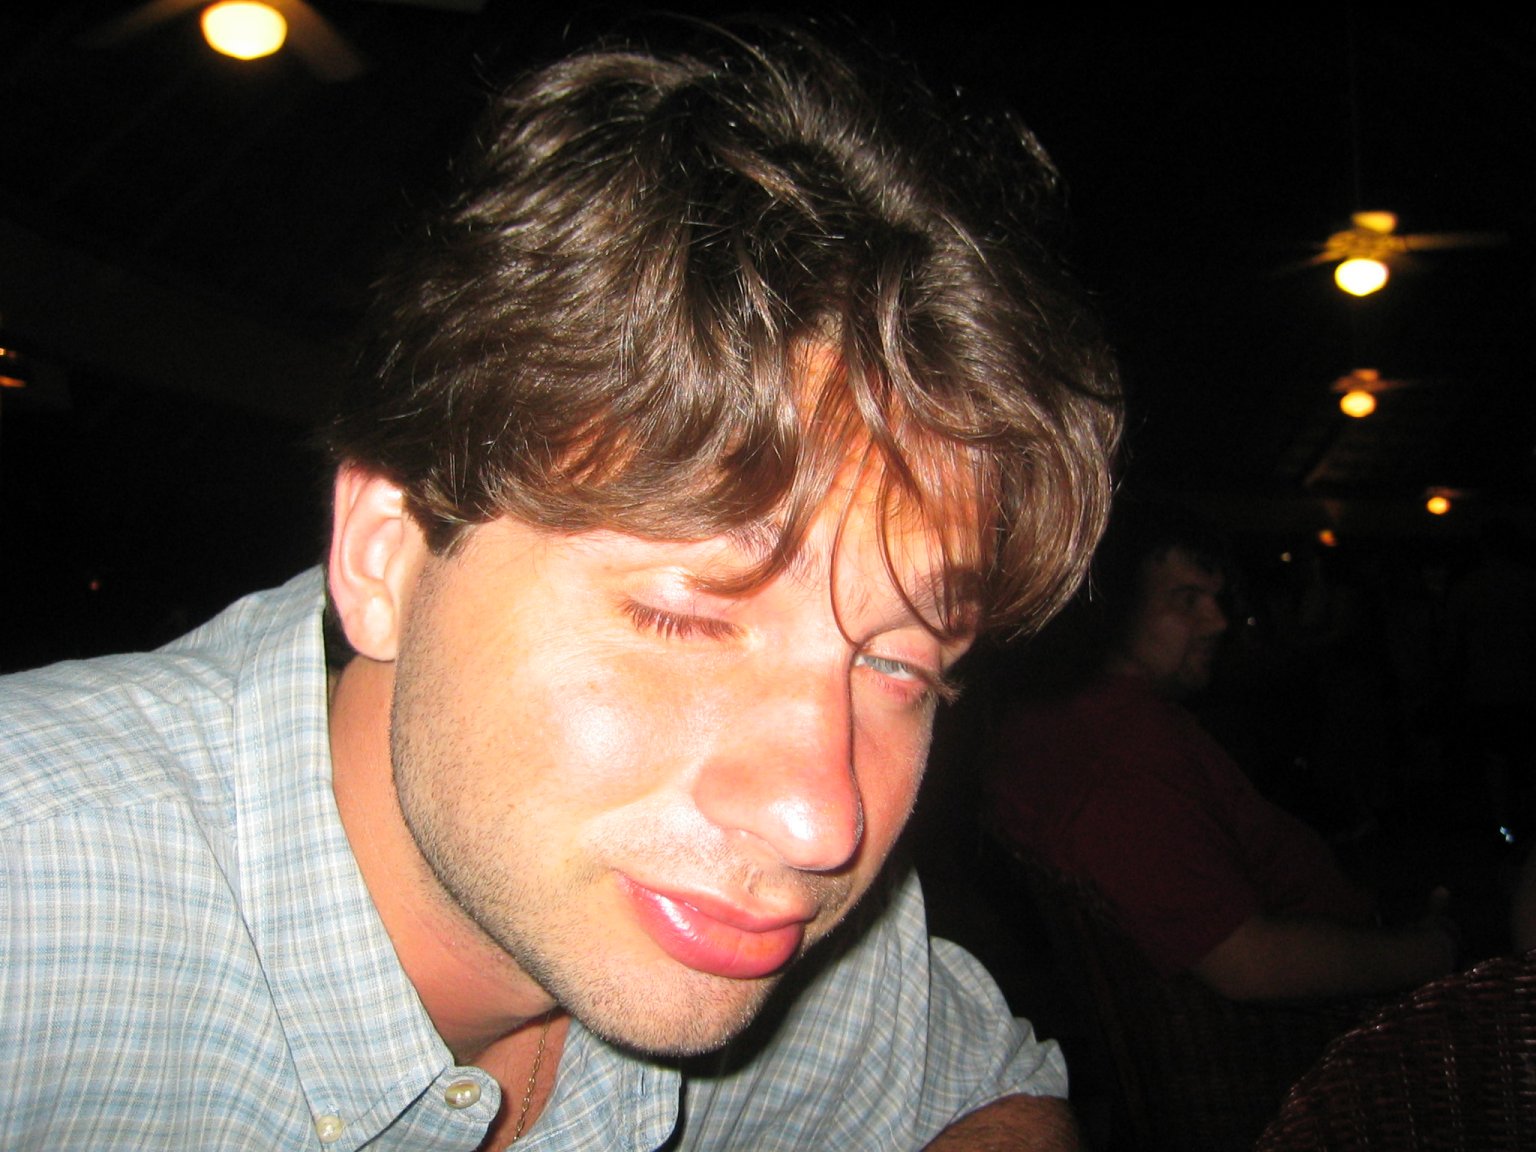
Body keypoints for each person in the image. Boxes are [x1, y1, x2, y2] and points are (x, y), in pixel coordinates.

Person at [0, 24, 1122, 1150]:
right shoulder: (34, 917)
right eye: (685, 613)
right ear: (385, 554)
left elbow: (986, 1090)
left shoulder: (750, 905)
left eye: (899, 662)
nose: (819, 821)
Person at [986, 507, 1458, 1002]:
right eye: (1186, 600)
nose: (1218, 622)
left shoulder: (1069, 712)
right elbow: (1248, 965)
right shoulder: (1123, 749)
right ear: (1112, 609)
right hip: (1328, 1017)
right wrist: (1432, 953)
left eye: (1216, 599)